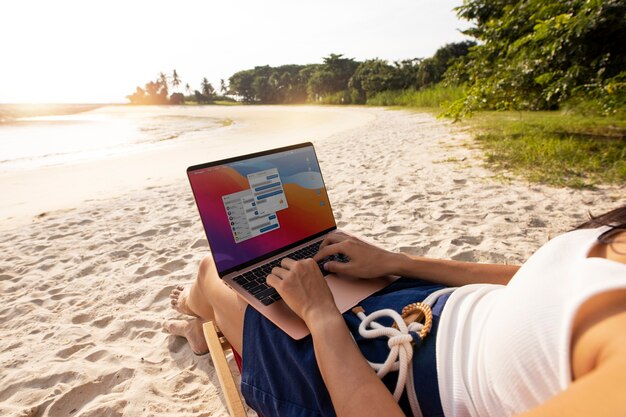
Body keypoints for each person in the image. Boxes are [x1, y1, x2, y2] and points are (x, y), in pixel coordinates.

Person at [164, 204, 626, 417]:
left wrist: (322, 318)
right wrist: (398, 263)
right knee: (302, 264)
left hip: (382, 374)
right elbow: (537, 278)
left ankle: (193, 313)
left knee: (213, 270)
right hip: (422, 303)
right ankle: (197, 314)